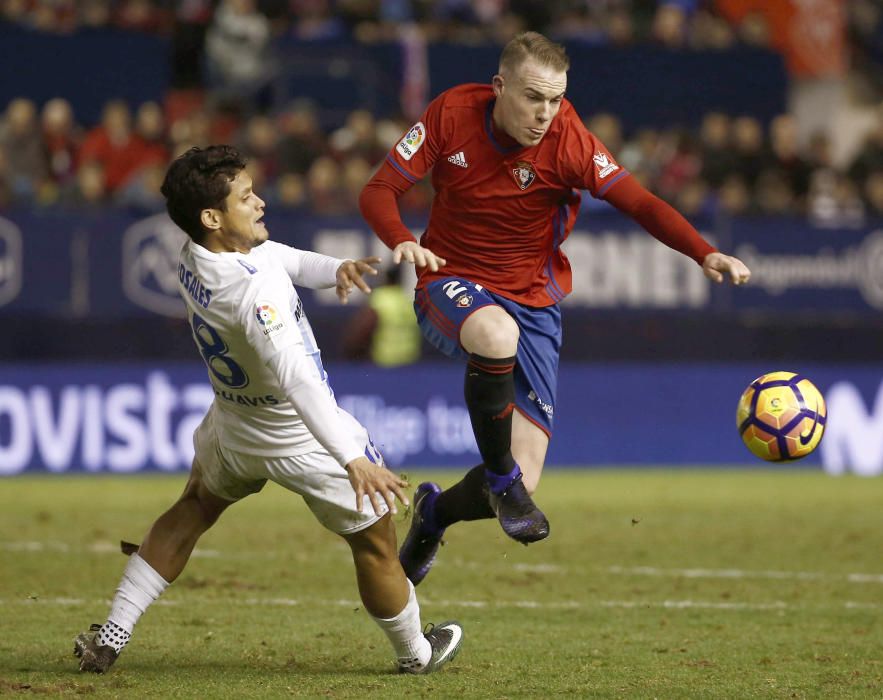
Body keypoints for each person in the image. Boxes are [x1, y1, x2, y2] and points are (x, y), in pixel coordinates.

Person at [359, 31, 751, 586]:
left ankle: (434, 514)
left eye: (555, 100)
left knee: (529, 477)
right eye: (532, 97)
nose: (545, 113)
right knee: (494, 338)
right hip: (451, 278)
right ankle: (499, 482)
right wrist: (400, 237)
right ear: (499, 87)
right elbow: (378, 190)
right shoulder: (450, 113)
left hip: (535, 301)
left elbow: (638, 201)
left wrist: (703, 251)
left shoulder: (570, 140)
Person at [73, 145, 463, 674]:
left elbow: (277, 254)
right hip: (294, 431)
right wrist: (352, 456)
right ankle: (416, 653)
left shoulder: (197, 254)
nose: (259, 202)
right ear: (213, 217)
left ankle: (111, 634)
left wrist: (335, 269)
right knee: (376, 543)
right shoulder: (254, 294)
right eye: (245, 196)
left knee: (192, 508)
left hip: (234, 426)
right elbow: (297, 377)